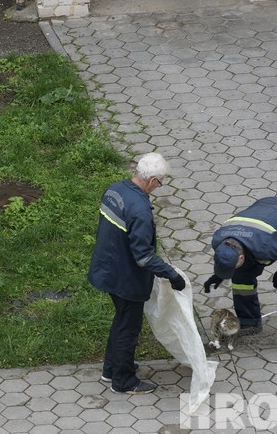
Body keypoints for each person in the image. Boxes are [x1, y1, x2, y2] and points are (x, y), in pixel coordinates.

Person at [88, 152, 187, 395]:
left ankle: (111, 369)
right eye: (160, 183)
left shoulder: (114, 190)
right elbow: (143, 257)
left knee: (121, 320)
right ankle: (123, 381)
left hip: (107, 267)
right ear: (152, 180)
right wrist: (172, 275)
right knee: (129, 328)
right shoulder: (140, 210)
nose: (158, 187)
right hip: (126, 277)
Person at [203, 197, 277, 361]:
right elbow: (226, 259)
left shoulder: (266, 245)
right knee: (241, 276)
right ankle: (250, 322)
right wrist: (220, 274)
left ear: (240, 257)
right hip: (264, 210)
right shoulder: (219, 239)